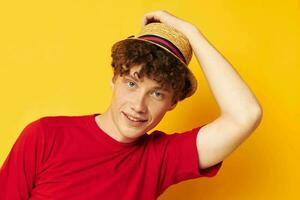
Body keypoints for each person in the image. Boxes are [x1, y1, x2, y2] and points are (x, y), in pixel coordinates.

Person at [0, 10, 263, 200]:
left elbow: (246, 115)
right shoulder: (46, 135)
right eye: (132, 84)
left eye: (157, 93)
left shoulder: (160, 158)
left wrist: (192, 33)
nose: (139, 105)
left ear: (173, 103)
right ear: (114, 80)